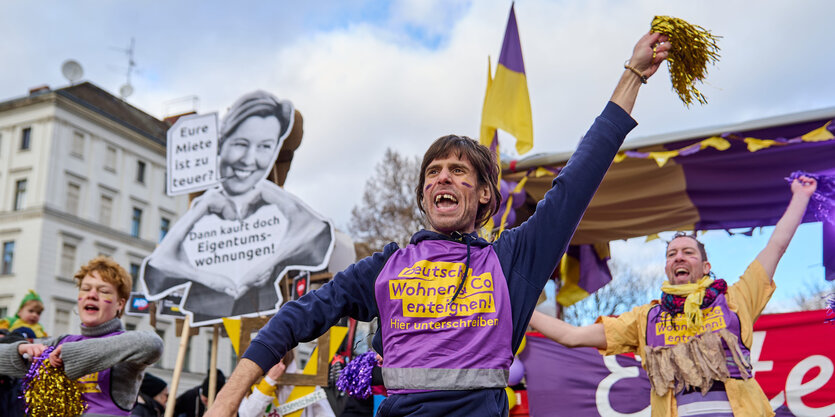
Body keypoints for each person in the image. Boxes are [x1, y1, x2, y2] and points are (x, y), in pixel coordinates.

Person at [206, 32, 671, 417]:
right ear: (425, 194)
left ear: (485, 193)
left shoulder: (511, 261)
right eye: (433, 171)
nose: (443, 176)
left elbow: (581, 176)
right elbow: (295, 318)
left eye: (458, 170)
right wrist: (226, 402)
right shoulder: (385, 266)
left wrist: (631, 74)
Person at [528, 176, 818, 417]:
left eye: (688, 252)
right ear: (668, 267)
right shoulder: (646, 319)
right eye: (672, 254)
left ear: (705, 266)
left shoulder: (734, 299)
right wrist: (519, 305)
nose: (679, 256)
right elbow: (572, 336)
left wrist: (801, 196)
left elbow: (776, 247)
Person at [143, 91, 334, 324]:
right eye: (241, 144)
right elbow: (157, 268)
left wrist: (269, 261)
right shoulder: (205, 200)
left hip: (264, 312)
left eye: (265, 146)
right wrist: (198, 213)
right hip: (207, 309)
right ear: (222, 143)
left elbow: (318, 237)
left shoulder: (273, 203)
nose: (249, 159)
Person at [0, 256, 164, 416]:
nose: (91, 295)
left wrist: (71, 355)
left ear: (120, 304)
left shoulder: (124, 345)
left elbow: (152, 343)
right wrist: (22, 348)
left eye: (103, 291)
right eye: (85, 289)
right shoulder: (61, 341)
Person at [238, 357, 335, 417]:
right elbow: (246, 415)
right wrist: (268, 382)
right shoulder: (255, 381)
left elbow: (325, 414)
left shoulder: (306, 381)